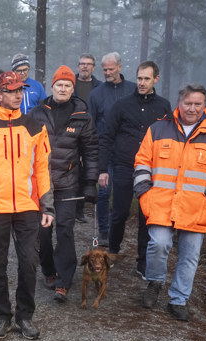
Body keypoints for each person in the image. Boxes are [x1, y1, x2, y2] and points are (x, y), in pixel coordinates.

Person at [135, 83, 206, 322]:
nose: (192, 108)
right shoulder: (158, 128)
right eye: (188, 103)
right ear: (179, 103)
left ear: (204, 105)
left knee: (190, 255)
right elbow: (142, 162)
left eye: (197, 104)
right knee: (158, 244)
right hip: (160, 203)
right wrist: (144, 194)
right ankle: (155, 283)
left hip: (197, 207)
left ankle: (178, 299)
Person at [0, 70, 54, 340]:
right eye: (12, 90)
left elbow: (42, 169)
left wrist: (47, 206)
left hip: (27, 207)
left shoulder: (35, 127)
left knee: (29, 262)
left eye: (20, 90)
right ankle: (2, 316)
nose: (18, 95)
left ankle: (25, 317)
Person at [29, 65, 98, 303]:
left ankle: (64, 281)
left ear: (73, 88)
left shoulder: (82, 116)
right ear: (52, 86)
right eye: (59, 84)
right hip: (41, 184)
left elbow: (90, 152)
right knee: (43, 232)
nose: (63, 88)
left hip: (69, 183)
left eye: (68, 85)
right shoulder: (37, 113)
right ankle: (48, 270)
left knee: (65, 231)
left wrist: (90, 183)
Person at [97, 61, 170, 279]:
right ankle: (113, 251)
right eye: (139, 78)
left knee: (146, 216)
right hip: (123, 165)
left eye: (147, 79)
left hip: (152, 170)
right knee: (119, 213)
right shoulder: (121, 106)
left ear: (156, 79)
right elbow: (107, 137)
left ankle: (142, 262)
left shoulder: (164, 107)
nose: (142, 83)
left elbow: (170, 139)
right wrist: (103, 169)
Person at [88, 52, 136, 246]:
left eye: (110, 68)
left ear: (119, 67)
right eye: (104, 69)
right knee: (103, 192)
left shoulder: (133, 90)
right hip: (104, 150)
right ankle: (104, 232)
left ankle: (118, 231)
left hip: (128, 151)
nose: (107, 72)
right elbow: (90, 124)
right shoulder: (97, 94)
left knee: (123, 193)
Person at [73, 53, 102, 223]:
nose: (84, 66)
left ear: (93, 67)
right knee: (73, 170)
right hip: (72, 132)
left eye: (88, 64)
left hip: (91, 133)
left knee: (87, 171)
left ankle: (81, 208)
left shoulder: (98, 86)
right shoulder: (71, 83)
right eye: (82, 63)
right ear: (78, 66)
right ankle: (72, 207)